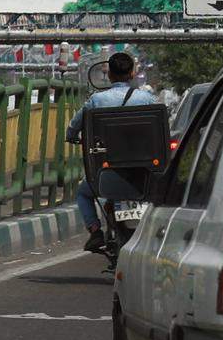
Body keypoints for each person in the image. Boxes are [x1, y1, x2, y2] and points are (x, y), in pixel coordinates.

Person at [66, 52, 158, 252]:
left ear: (109, 75)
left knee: (83, 193)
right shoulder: (148, 99)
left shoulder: (96, 100)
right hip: (142, 170)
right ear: (132, 73)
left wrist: (72, 135)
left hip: (107, 171)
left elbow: (74, 127)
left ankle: (95, 230)